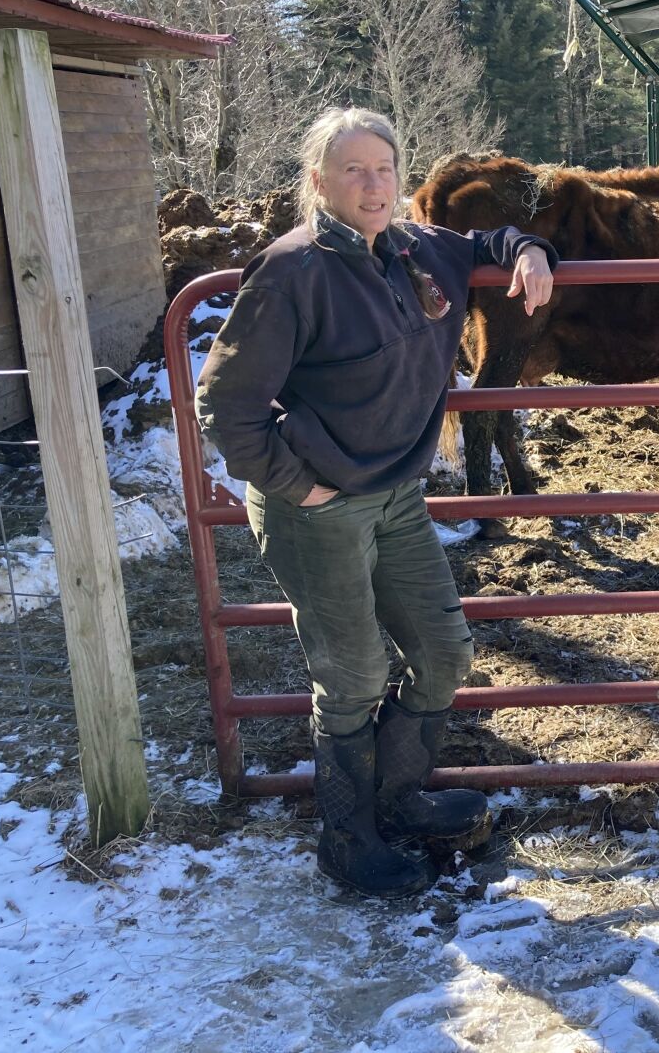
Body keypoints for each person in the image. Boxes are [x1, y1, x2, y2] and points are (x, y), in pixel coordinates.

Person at [196, 108, 557, 898]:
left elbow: (488, 241)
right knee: (353, 673)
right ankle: (347, 837)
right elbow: (225, 403)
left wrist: (528, 251)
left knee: (442, 651)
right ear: (319, 180)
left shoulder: (419, 250)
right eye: (352, 169)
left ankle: (396, 799)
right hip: (315, 505)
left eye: (384, 169)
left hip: (396, 496)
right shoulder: (293, 270)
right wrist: (300, 483)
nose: (372, 184)